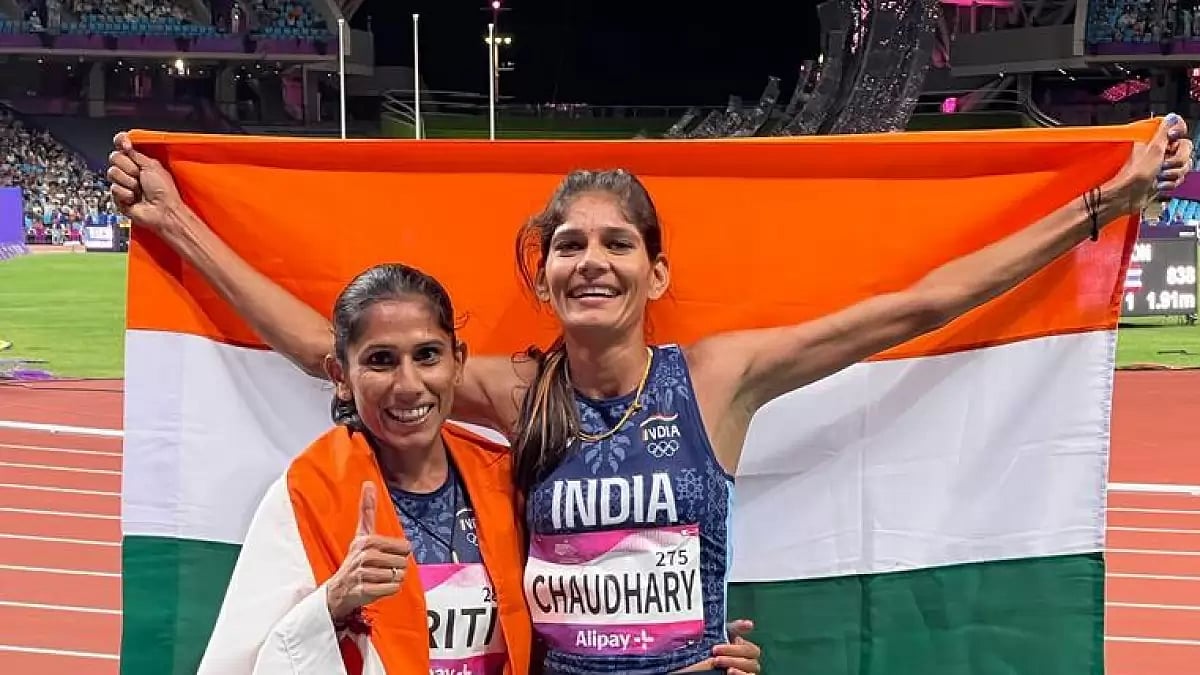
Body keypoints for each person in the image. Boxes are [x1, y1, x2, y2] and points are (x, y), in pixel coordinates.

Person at [109, 115, 1194, 674]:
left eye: (618, 242)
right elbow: (326, 350)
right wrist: (173, 223)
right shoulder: (514, 388)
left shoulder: (716, 379)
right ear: (541, 275)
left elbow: (915, 308)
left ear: (655, 273)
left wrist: (1103, 200)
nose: (593, 260)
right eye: (570, 243)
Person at [194, 263, 763, 675]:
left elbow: (575, 613)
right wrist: (333, 603)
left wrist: (688, 648)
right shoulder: (309, 494)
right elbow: (240, 662)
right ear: (340, 374)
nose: (408, 385)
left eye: (427, 355)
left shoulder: (503, 480)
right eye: (380, 361)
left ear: (456, 363)